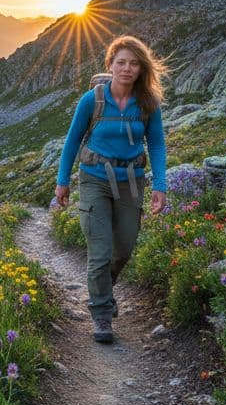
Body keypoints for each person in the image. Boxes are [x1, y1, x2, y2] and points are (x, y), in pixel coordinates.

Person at [54, 35, 168, 343]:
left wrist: (160, 184)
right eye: (121, 62)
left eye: (134, 63)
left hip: (131, 181)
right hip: (94, 180)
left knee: (124, 248)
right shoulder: (92, 100)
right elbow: (72, 141)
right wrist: (62, 181)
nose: (127, 69)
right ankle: (102, 314)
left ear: (141, 68)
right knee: (100, 253)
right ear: (110, 65)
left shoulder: (147, 103)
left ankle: (103, 289)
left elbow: (156, 143)